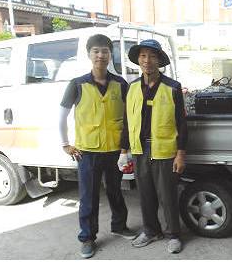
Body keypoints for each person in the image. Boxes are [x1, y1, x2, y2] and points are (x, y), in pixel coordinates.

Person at [59, 34, 137, 259]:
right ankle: (87, 238)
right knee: (89, 197)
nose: (100, 55)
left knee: (116, 192)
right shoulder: (77, 84)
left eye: (104, 51)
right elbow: (61, 116)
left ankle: (119, 227)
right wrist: (65, 144)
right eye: (96, 51)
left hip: (114, 150)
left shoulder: (120, 84)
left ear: (110, 54)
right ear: (89, 55)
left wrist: (126, 148)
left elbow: (128, 117)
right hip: (88, 152)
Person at [118, 39, 187, 254]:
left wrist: (180, 154)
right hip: (140, 150)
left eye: (152, 56)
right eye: (143, 56)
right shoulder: (131, 88)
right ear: (138, 60)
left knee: (167, 195)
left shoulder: (172, 87)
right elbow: (127, 120)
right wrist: (124, 151)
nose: (147, 61)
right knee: (145, 194)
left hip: (165, 150)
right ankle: (150, 230)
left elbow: (182, 123)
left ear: (159, 60)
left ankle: (173, 234)